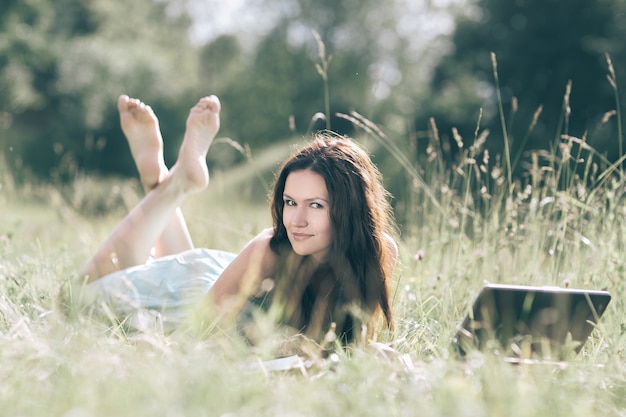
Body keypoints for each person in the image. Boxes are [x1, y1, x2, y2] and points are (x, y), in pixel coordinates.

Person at [74, 94, 398, 351]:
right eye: (289, 202)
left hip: (214, 282)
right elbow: (191, 337)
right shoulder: (271, 249)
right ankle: (170, 187)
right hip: (195, 295)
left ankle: (158, 182)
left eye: (315, 205)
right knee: (76, 297)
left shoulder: (378, 251)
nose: (296, 221)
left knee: (147, 267)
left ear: (350, 207)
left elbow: (352, 342)